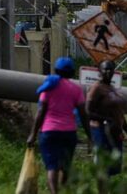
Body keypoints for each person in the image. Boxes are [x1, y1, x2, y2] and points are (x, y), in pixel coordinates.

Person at [27, 57, 92, 194]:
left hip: (49, 132)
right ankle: (63, 188)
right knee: (65, 166)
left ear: (56, 70)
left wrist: (33, 134)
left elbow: (41, 111)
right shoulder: (76, 90)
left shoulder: (49, 86)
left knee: (52, 167)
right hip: (69, 133)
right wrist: (90, 136)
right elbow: (84, 114)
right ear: (72, 72)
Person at [86, 60, 127, 187]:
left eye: (110, 69)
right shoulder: (96, 88)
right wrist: (106, 120)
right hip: (102, 131)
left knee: (112, 168)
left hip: (115, 132)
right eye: (105, 69)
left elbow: (119, 114)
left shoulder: (113, 88)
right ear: (99, 71)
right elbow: (88, 111)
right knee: (103, 167)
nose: (108, 72)